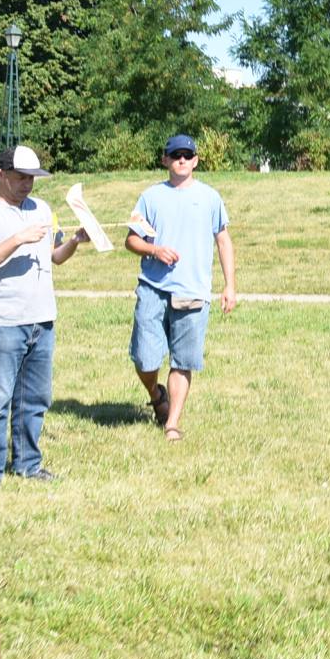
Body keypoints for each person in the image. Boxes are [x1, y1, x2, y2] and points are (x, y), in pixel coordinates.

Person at [0, 145, 88, 486]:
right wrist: (17, 240)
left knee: (35, 399)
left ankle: (28, 465)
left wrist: (75, 241)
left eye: (32, 178)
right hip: (3, 322)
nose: (27, 185)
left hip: (42, 319)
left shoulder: (42, 209)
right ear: (0, 175)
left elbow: (54, 256)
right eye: (20, 178)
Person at [125, 134, 236, 442]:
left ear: (196, 160)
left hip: (193, 291)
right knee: (144, 359)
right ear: (165, 160)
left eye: (188, 155)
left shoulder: (211, 197)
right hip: (153, 287)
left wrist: (230, 286)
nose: (182, 160)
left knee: (183, 360)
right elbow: (131, 240)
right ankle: (156, 394)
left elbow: (223, 240)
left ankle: (172, 422)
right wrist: (154, 250)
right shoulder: (150, 197)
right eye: (176, 155)